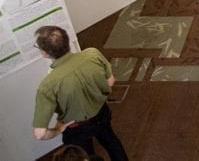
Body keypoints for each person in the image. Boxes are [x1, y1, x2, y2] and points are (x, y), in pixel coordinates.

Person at [32, 26, 128, 160]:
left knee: (83, 155)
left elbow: (40, 134)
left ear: (45, 52)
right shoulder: (92, 53)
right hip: (102, 112)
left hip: (76, 127)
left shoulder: (48, 85)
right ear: (67, 41)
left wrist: (58, 129)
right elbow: (111, 80)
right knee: (111, 140)